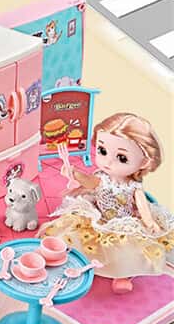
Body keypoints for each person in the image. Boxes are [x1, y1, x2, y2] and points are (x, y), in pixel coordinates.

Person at [44, 112, 174, 291]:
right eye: (102, 151)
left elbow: (142, 206)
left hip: (123, 222)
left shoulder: (133, 186)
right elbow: (90, 182)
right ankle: (76, 262)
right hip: (99, 216)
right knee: (79, 238)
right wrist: (74, 173)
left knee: (126, 250)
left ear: (144, 162)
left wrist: (149, 221)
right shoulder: (102, 178)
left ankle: (122, 275)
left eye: (122, 158)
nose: (108, 162)